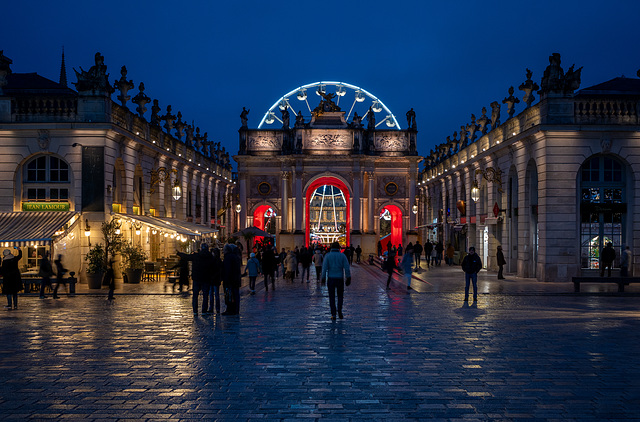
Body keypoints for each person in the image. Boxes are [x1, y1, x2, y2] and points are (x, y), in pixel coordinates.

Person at [178, 243, 215, 315]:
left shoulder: (196, 256)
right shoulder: (210, 256)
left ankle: (195, 311)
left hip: (197, 278)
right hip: (206, 278)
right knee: (205, 295)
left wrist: (179, 253)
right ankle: (204, 310)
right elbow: (213, 267)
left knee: (195, 295)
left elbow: (187, 257)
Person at [321, 242, 351, 320]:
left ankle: (333, 314)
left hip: (331, 278)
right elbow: (347, 267)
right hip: (340, 278)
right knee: (340, 296)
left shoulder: (327, 256)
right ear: (339, 248)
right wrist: (348, 277)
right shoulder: (342, 256)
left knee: (331, 297)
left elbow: (324, 268)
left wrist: (323, 277)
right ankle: (340, 311)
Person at [221, 243, 242, 315]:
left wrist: (225, 279)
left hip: (230, 280)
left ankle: (230, 309)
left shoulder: (228, 258)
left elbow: (227, 270)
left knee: (229, 295)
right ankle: (235, 309)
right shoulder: (236, 257)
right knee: (235, 295)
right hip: (236, 280)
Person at [207, 248, 223, 314]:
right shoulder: (219, 260)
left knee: (213, 295)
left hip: (213, 280)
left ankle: (212, 308)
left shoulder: (212, 260)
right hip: (215, 280)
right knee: (215, 295)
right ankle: (216, 308)